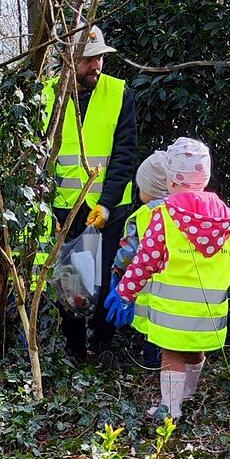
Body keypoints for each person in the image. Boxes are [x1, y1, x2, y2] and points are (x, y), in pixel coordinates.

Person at [107, 138, 230, 420]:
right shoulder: (227, 217)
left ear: (170, 180)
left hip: (173, 310)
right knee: (195, 351)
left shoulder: (164, 216)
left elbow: (146, 259)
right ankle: (189, 395)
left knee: (172, 356)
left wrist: (125, 292)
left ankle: (170, 408)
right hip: (211, 307)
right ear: (205, 176)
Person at [41, 25, 138, 365]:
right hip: (66, 208)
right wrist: (46, 207)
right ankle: (75, 348)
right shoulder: (48, 95)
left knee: (110, 275)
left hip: (110, 207)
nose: (95, 66)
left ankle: (104, 344)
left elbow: (125, 155)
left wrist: (107, 203)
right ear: (69, 61)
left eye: (99, 58)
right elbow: (39, 157)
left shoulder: (119, 92)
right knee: (71, 280)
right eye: (87, 60)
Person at [105, 151, 168, 367]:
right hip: (181, 300)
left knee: (152, 333)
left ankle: (152, 364)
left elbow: (128, 252)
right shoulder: (184, 213)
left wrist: (117, 274)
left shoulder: (142, 217)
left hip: (150, 294)